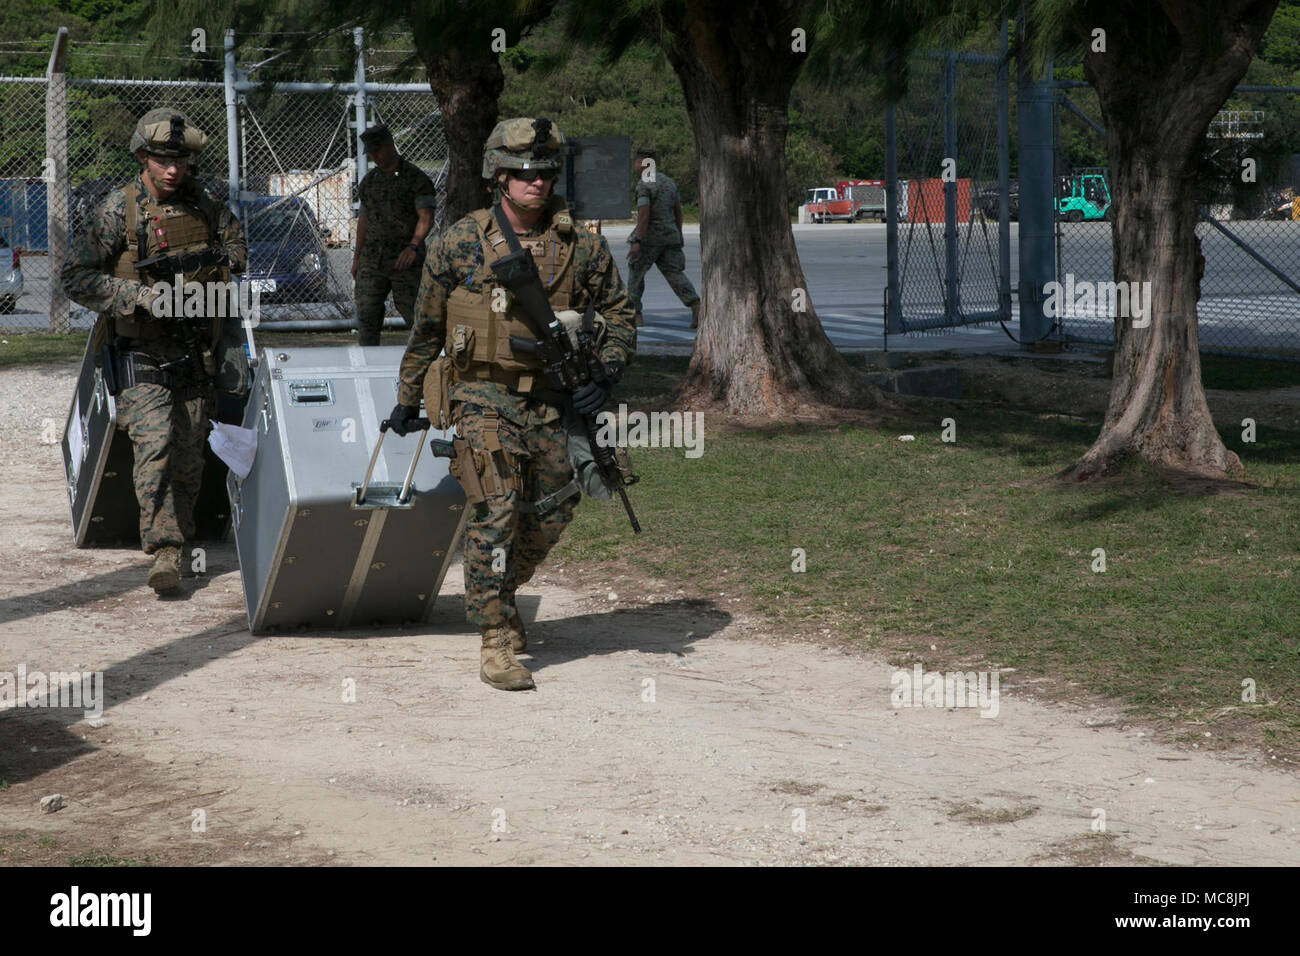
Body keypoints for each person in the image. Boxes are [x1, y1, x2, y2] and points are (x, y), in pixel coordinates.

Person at [390, 117, 637, 691]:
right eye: (525, 173)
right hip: (481, 395)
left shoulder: (584, 245)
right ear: (498, 176)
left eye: (546, 173)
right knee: (496, 509)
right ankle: (495, 638)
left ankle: (499, 592)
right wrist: (408, 398)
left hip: (553, 401)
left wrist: (606, 370)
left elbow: (621, 315)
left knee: (551, 510)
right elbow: (426, 328)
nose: (537, 183)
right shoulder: (460, 240)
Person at [61, 108, 246, 594]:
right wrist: (138, 297)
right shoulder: (118, 210)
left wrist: (214, 266)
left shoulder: (207, 205)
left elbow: (236, 248)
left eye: (180, 160)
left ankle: (180, 542)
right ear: (143, 157)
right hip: (140, 347)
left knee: (189, 452)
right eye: (163, 159)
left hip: (194, 347)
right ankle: (163, 549)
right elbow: (74, 277)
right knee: (156, 441)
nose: (173, 169)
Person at [352, 125, 437, 345]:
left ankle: (425, 358)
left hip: (404, 258)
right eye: (371, 153)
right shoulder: (370, 182)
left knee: (414, 313)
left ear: (390, 145)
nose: (374, 157)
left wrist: (413, 245)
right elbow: (364, 220)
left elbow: (426, 217)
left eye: (378, 151)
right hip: (372, 259)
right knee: (367, 313)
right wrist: (357, 258)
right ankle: (367, 360)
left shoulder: (416, 179)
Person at [626, 147, 700, 329]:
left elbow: (644, 215)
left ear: (642, 164)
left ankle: (635, 315)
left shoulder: (644, 184)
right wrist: (679, 234)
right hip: (669, 236)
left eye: (636, 161)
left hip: (650, 238)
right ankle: (695, 305)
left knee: (636, 274)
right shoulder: (669, 183)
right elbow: (677, 211)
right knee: (674, 274)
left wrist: (637, 241)